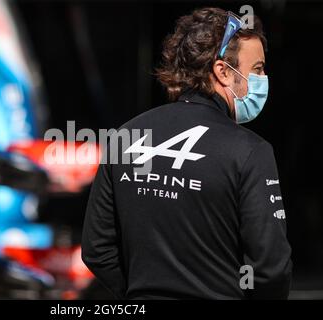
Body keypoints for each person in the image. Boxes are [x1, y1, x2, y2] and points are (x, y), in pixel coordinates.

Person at [81, 7, 292, 299]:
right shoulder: (250, 151)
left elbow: (96, 249)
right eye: (256, 69)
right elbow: (271, 269)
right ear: (222, 72)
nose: (263, 77)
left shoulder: (124, 136)